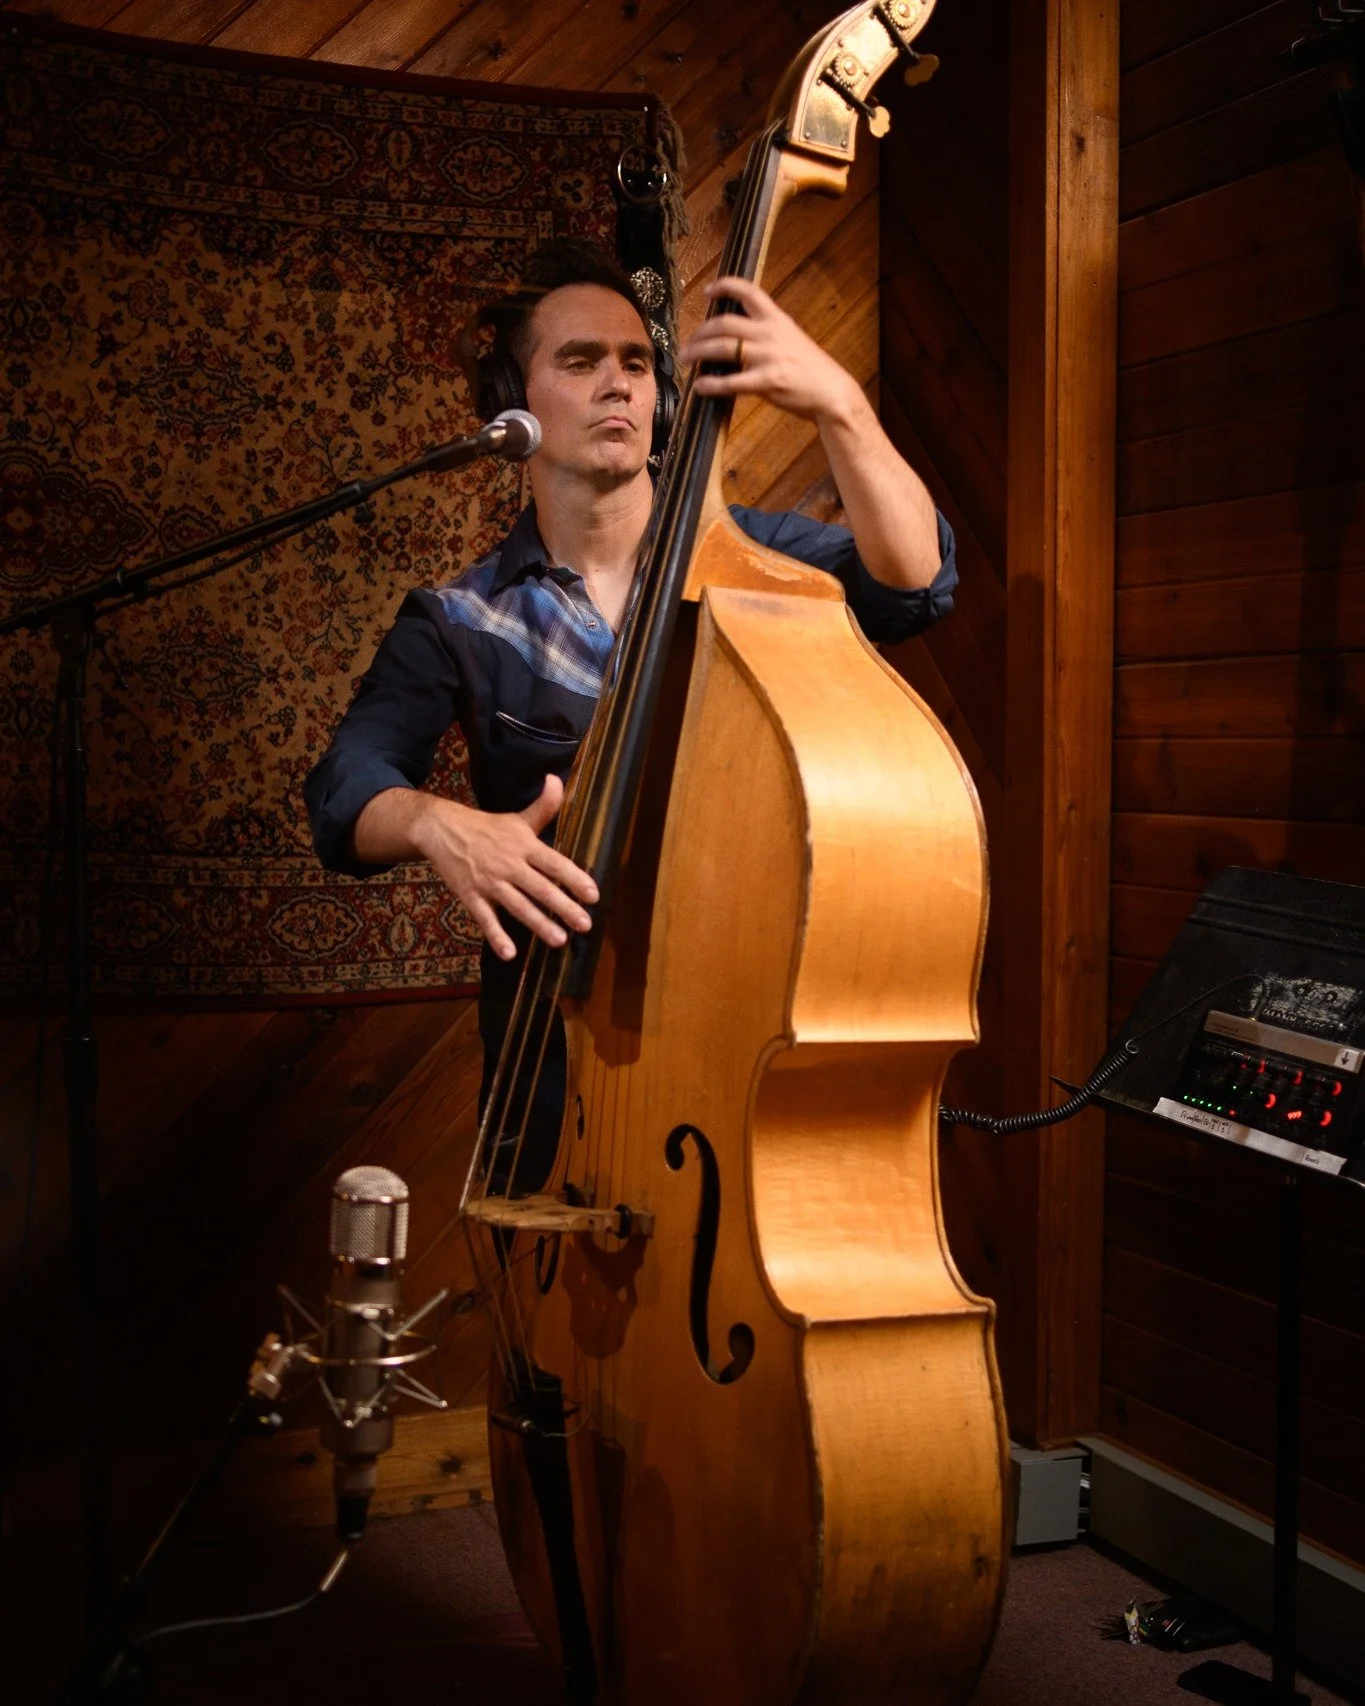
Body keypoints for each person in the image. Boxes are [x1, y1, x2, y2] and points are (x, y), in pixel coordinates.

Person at [305, 239, 957, 1185]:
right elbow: (344, 787)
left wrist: (839, 407)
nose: (618, 382)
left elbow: (913, 586)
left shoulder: (758, 564)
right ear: (512, 407)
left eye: (637, 362)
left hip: (748, 1032)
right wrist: (436, 823)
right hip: (554, 1063)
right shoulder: (462, 617)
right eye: (580, 361)